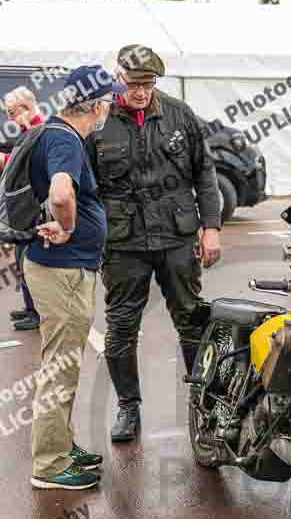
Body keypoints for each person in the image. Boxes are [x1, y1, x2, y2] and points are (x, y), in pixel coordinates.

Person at [85, 45, 222, 443]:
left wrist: (211, 227)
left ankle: (204, 404)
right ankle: (129, 407)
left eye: (148, 83)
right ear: (116, 79)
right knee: (121, 327)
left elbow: (205, 172)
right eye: (133, 83)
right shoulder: (99, 120)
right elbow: (85, 186)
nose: (141, 91)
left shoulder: (179, 114)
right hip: (124, 242)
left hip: (177, 237)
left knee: (192, 320)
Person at [24, 65, 128, 490]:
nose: (110, 107)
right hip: (62, 268)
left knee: (62, 362)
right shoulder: (66, 140)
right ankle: (49, 464)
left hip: (60, 266)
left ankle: (60, 445)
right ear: (96, 104)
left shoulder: (50, 131)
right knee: (61, 366)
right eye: (109, 100)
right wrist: (67, 227)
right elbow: (62, 192)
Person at [3, 87, 45, 331]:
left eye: (12, 113)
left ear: (28, 108)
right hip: (25, 209)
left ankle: (37, 312)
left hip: (33, 211)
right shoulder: (29, 131)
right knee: (22, 260)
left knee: (29, 262)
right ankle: (31, 308)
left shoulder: (39, 132)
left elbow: (22, 164)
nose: (9, 119)